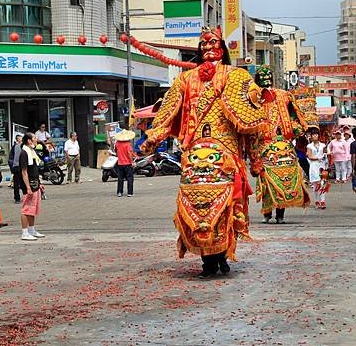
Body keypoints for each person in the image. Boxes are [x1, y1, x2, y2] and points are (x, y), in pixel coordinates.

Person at [140, 26, 267, 278]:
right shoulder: (184, 79)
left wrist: (256, 157)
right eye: (204, 45)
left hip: (226, 152)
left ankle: (221, 254)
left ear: (222, 48)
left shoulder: (237, 77)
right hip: (194, 153)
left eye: (213, 44)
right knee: (197, 204)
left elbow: (252, 122)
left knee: (227, 206)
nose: (209, 48)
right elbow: (167, 112)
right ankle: (208, 258)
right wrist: (153, 137)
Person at [247, 65, 310, 224]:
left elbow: (297, 118)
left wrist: (294, 129)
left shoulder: (284, 96)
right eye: (262, 76)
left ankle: (280, 215)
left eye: (268, 75)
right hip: (264, 146)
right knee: (266, 181)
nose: (265, 78)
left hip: (284, 145)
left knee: (284, 180)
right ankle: (267, 213)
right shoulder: (254, 98)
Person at [19, 132, 45, 241]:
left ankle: (31, 229)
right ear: (29, 140)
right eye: (34, 138)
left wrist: (39, 183)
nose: (36, 139)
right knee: (26, 208)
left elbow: (34, 169)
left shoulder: (31, 152)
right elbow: (24, 172)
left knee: (33, 208)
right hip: (29, 184)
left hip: (35, 183)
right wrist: (28, 187)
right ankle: (24, 232)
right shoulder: (24, 153)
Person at [307, 128, 328, 209]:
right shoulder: (309, 146)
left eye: (316, 134)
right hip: (313, 166)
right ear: (311, 136)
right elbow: (310, 156)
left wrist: (326, 155)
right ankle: (316, 201)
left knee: (323, 184)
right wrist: (319, 158)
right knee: (315, 185)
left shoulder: (323, 145)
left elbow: (325, 153)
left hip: (322, 166)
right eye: (313, 135)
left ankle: (323, 201)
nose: (315, 136)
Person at [115, 128, 136, 197]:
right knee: (130, 178)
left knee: (120, 179)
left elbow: (116, 152)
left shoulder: (117, 144)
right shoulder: (127, 144)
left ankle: (119, 192)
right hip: (127, 164)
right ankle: (130, 192)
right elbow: (129, 153)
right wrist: (132, 162)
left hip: (120, 163)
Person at [8, 135, 23, 204]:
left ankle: (17, 198)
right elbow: (11, 158)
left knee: (17, 183)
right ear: (17, 139)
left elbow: (10, 158)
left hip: (16, 167)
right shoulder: (21, 146)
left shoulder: (15, 147)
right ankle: (19, 198)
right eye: (20, 138)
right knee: (20, 183)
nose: (21, 139)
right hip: (20, 167)